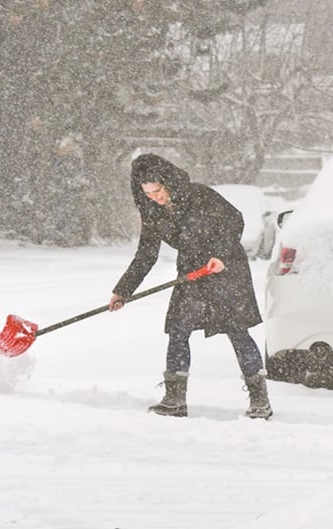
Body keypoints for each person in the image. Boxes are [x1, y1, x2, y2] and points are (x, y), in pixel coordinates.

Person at [108, 153, 272, 419]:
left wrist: (220, 255)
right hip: (192, 273)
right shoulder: (152, 211)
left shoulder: (199, 196)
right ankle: (174, 400)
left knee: (237, 331)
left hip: (225, 268)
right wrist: (123, 290)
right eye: (148, 193)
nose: (155, 197)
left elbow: (234, 221)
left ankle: (260, 401)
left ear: (168, 183)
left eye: (158, 190)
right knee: (178, 330)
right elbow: (146, 254)